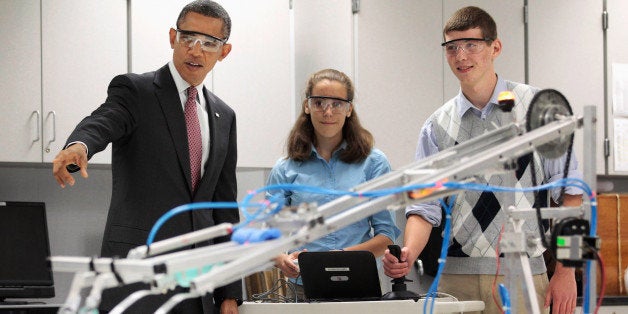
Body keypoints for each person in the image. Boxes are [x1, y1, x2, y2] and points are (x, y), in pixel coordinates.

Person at [382, 6, 582, 314]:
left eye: (471, 45)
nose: (461, 56)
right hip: (455, 280)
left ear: (495, 47)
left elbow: (572, 196)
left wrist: (567, 272)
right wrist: (409, 252)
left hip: (526, 276)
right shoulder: (437, 126)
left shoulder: (538, 110)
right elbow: (424, 206)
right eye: (452, 48)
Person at [51, 1, 241, 313]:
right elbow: (103, 121)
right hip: (137, 282)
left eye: (209, 43)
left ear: (224, 51)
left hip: (198, 288)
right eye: (188, 38)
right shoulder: (137, 91)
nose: (196, 50)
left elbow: (225, 210)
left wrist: (229, 293)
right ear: (172, 38)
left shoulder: (224, 115)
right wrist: (81, 145)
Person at [266, 68, 401, 300]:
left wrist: (339, 257)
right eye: (319, 102)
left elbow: (386, 236)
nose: (327, 111)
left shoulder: (374, 163)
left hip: (359, 285)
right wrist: (281, 259)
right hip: (302, 288)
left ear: (349, 108)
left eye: (337, 103)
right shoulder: (285, 168)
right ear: (307, 106)